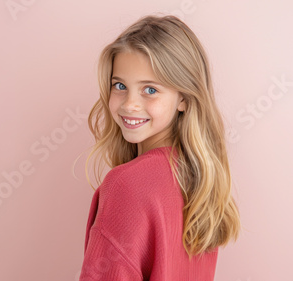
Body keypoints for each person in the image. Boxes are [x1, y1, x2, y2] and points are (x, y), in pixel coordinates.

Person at [78, 14, 241, 280]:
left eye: (150, 90)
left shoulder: (127, 185)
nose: (129, 104)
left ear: (184, 99)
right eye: (120, 86)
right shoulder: (199, 182)